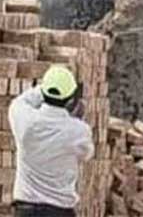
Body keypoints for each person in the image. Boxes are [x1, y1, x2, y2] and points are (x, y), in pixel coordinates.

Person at [10, 65, 94, 217]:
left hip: (25, 211)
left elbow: (22, 101)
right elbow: (87, 155)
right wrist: (74, 117)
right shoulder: (79, 131)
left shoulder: (24, 120)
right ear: (71, 99)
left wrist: (45, 87)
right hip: (59, 212)